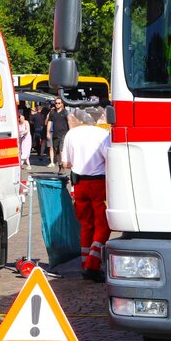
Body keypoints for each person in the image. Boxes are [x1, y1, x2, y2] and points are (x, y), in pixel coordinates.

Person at [60, 106, 110, 282]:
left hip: (79, 184)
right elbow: (109, 158)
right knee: (103, 225)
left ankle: (84, 263)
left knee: (86, 225)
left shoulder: (71, 135)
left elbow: (65, 162)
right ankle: (92, 264)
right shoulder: (102, 135)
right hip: (99, 183)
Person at [45, 98, 69, 172]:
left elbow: (69, 122)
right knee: (57, 151)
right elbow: (49, 122)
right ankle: (60, 165)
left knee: (61, 150)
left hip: (64, 134)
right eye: (56, 103)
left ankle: (63, 166)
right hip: (55, 134)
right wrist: (47, 132)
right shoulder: (52, 112)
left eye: (59, 103)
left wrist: (71, 132)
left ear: (62, 104)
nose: (57, 104)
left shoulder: (65, 112)